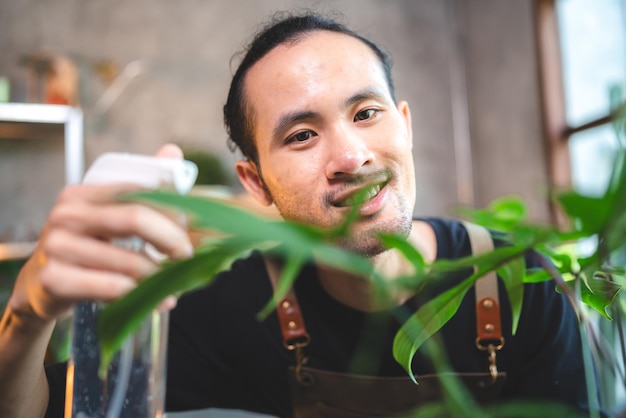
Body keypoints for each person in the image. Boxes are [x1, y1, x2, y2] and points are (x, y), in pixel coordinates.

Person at [0, 11, 592, 418]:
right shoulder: (232, 302)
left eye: (365, 114)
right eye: (303, 135)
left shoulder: (520, 282)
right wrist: (26, 314)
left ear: (405, 125)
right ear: (256, 183)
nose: (351, 158)